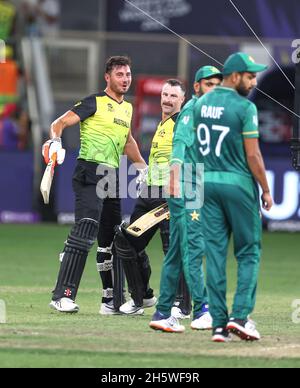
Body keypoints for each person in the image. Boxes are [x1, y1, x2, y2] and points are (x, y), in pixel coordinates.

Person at [44, 56, 147, 314]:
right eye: (120, 74)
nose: (125, 79)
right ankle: (62, 295)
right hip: (90, 170)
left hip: (111, 174)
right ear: (108, 77)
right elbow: (59, 123)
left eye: (128, 75)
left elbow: (128, 141)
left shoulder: (127, 108)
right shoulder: (94, 102)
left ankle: (111, 301)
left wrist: (143, 168)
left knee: (113, 239)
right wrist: (55, 141)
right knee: (86, 230)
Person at [193, 52, 272, 342]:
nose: (253, 82)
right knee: (249, 251)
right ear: (235, 76)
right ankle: (240, 317)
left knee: (214, 255)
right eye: (250, 76)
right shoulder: (244, 107)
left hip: (208, 184)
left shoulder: (200, 104)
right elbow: (253, 154)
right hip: (237, 184)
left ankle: (217, 325)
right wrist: (264, 188)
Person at [149, 66, 223, 333]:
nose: (213, 89)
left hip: (193, 184)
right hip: (185, 186)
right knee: (194, 248)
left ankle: (162, 312)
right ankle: (203, 309)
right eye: (208, 84)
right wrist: (173, 179)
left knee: (177, 252)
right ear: (196, 87)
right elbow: (178, 146)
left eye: (217, 84)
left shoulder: (207, 114)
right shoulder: (191, 112)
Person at [114, 79, 186, 315]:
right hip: (149, 193)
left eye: (173, 96)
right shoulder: (162, 123)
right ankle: (142, 298)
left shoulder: (182, 124)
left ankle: (181, 304)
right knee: (126, 243)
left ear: (182, 100)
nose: (167, 99)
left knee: (172, 248)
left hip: (168, 195)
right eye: (165, 95)